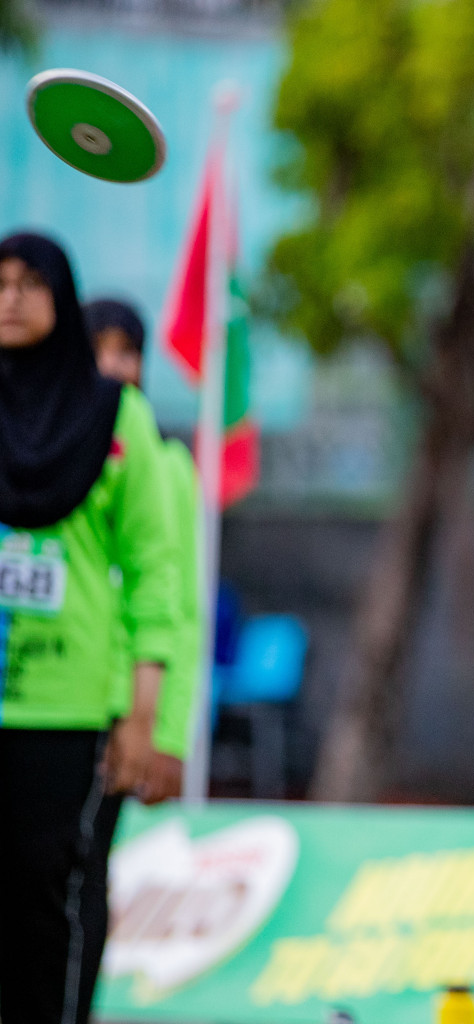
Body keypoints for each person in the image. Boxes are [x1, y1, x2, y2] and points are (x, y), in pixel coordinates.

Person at [0, 233, 179, 1023]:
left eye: (29, 283)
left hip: (66, 709)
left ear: (60, 297)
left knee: (52, 902)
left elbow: (156, 573)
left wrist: (144, 717)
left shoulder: (115, 416)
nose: (9, 298)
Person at [82, 296, 202, 1011]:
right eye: (102, 348)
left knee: (83, 872)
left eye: (130, 351)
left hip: (120, 708)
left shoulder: (165, 465)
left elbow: (176, 607)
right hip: (39, 694)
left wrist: (162, 728)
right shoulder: (32, 441)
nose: (118, 365)